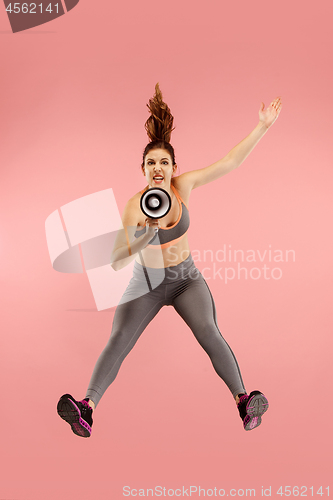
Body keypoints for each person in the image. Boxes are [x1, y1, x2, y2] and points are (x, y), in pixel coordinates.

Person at [57, 83, 282, 437]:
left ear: (174, 166)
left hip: (185, 280)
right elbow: (116, 261)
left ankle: (244, 401)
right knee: (118, 339)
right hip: (144, 283)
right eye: (151, 163)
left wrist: (262, 127)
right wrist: (142, 236)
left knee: (208, 330)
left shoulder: (183, 186)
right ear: (143, 170)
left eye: (164, 162)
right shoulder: (134, 205)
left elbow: (230, 162)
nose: (158, 167)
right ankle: (86, 408)